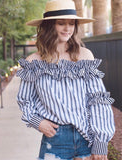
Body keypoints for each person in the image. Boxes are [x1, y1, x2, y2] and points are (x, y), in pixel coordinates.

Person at [16, 0, 115, 159]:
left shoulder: (85, 55)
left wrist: (101, 141)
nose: (68, 28)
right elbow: (25, 99)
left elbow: (97, 100)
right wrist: (37, 122)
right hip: (55, 139)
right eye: (61, 23)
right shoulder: (33, 61)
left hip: (86, 137)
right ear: (49, 26)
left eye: (72, 23)